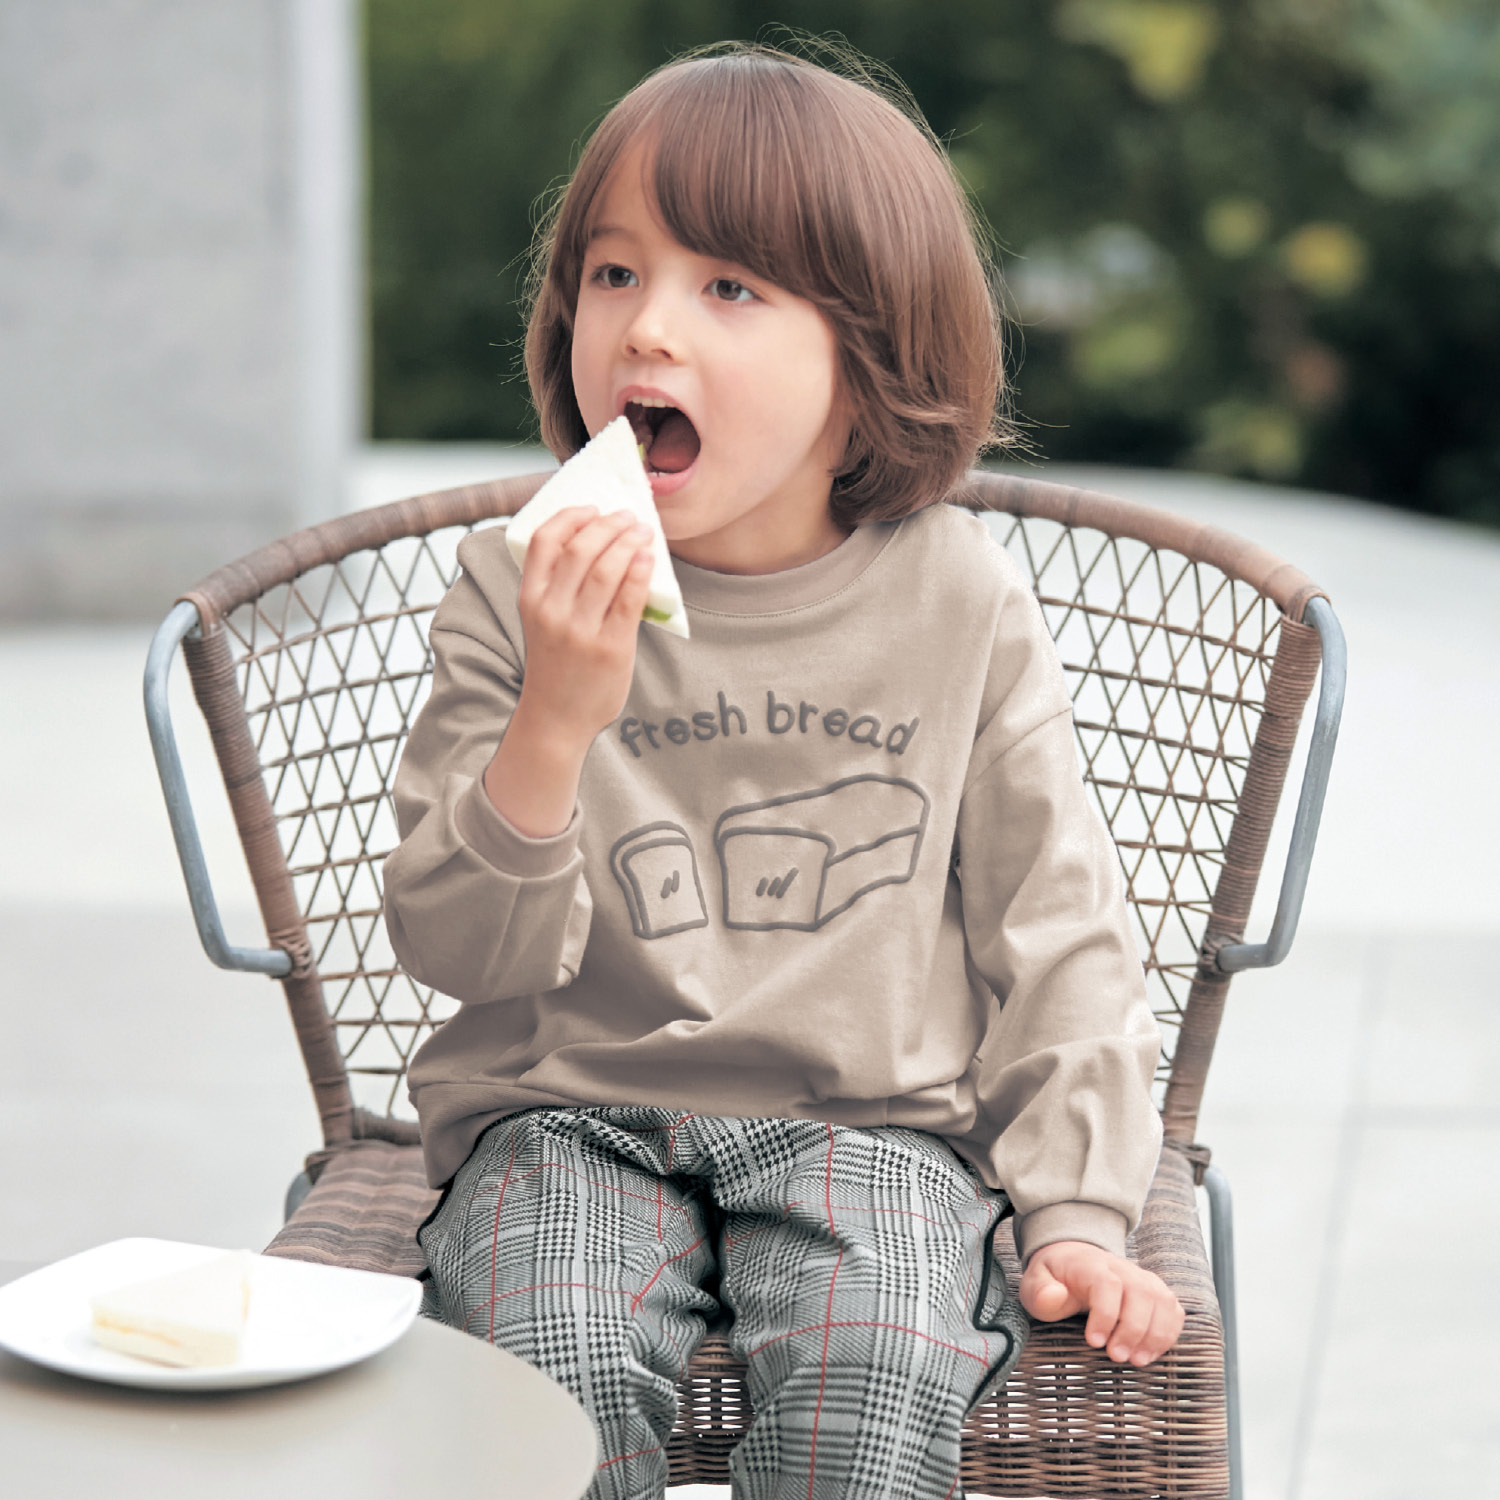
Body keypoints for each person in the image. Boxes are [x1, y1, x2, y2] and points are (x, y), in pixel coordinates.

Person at [383, 37, 1184, 1500]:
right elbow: (455, 948)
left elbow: (1058, 930)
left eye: (729, 288)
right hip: (556, 1116)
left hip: (870, 1124)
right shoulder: (516, 589)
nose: (646, 331)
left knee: (876, 1376)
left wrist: (1076, 1205)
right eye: (614, 275)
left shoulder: (956, 600)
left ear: (867, 357)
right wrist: (555, 717)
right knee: (542, 1375)